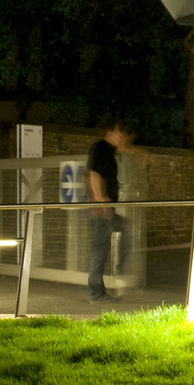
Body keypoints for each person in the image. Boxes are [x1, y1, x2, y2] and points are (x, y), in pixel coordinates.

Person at [86, 123, 136, 303]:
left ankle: (105, 284)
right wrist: (101, 202)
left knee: (118, 234)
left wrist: (141, 153)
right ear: (110, 132)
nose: (121, 136)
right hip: (101, 209)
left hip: (104, 207)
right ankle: (96, 293)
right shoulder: (100, 148)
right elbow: (94, 175)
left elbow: (124, 149)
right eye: (119, 132)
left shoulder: (107, 149)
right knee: (100, 250)